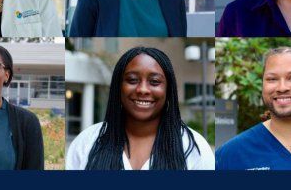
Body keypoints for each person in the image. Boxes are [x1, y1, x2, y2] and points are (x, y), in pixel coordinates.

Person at [66, 47, 213, 170]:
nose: (143, 89)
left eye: (154, 82)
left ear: (168, 90)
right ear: (118, 87)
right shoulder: (86, 143)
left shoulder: (194, 149)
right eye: (132, 80)